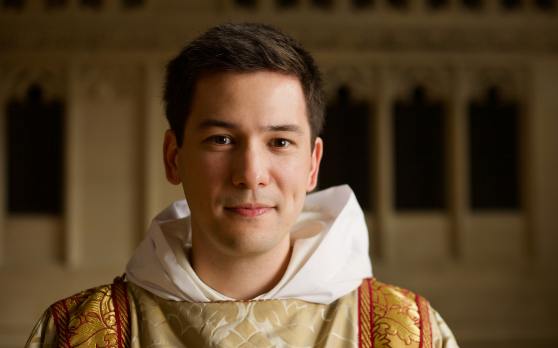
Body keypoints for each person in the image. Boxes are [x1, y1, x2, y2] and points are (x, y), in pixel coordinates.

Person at [26, 23, 459, 348]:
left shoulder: (406, 332)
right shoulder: (81, 332)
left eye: (280, 142)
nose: (251, 173)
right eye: (221, 140)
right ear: (173, 157)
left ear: (313, 165)